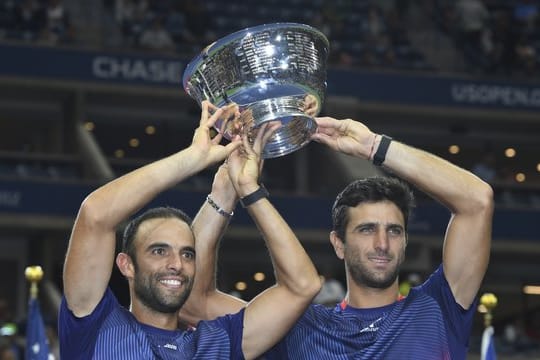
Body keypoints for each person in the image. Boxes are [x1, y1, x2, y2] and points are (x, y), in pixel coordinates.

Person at [181, 115, 494, 359]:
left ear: (405, 241)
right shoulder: (299, 327)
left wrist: (374, 146)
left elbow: (477, 200)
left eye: (393, 231)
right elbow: (193, 303)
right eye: (367, 230)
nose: (382, 244)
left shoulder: (437, 309)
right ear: (338, 244)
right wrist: (224, 193)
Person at [58, 101, 321, 359]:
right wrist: (193, 159)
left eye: (187, 254)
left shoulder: (218, 341)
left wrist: (248, 190)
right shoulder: (95, 327)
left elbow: (302, 287)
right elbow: (95, 214)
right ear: (127, 264)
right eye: (159, 251)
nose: (176, 264)